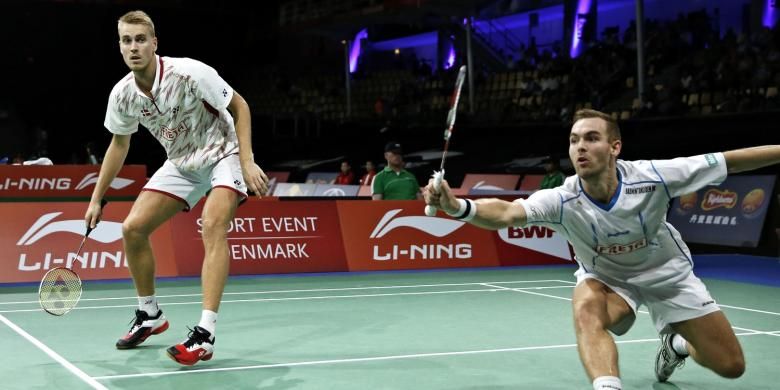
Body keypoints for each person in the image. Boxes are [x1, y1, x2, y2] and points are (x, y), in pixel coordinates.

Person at [423, 109, 779, 389]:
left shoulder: (655, 176)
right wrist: (457, 208)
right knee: (586, 311)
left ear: (614, 147)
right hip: (609, 280)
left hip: (668, 276)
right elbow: (506, 213)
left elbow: (731, 161)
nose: (580, 147)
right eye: (574, 139)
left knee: (731, 366)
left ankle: (676, 347)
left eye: (592, 138)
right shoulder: (562, 199)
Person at [84, 10, 268, 366]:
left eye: (140, 39)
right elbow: (118, 145)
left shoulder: (190, 73)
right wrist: (96, 198)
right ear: (120, 47)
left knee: (213, 224)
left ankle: (205, 334)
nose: (134, 47)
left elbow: (240, 105)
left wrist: (246, 161)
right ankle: (150, 314)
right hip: (183, 163)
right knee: (132, 229)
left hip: (223, 153)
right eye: (127, 40)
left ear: (154, 43)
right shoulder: (123, 95)